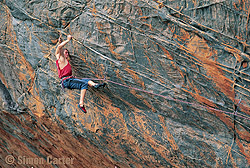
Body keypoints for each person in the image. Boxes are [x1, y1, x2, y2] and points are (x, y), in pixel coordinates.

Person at [55, 35, 106, 113]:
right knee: (83, 84)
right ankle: (81, 103)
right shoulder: (61, 59)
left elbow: (59, 50)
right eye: (66, 52)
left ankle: (94, 85)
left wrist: (61, 42)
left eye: (67, 52)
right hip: (67, 81)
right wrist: (68, 40)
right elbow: (59, 48)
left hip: (69, 80)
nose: (67, 54)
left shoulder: (61, 59)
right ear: (62, 53)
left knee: (86, 81)